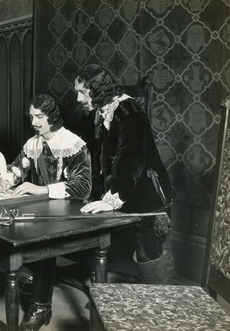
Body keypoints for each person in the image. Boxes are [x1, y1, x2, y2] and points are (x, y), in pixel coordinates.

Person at [0, 94, 92, 331]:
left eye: (39, 116)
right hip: (45, 210)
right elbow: (19, 165)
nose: (34, 122)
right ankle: (34, 279)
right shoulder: (33, 143)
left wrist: (41, 189)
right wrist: (7, 178)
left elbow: (84, 187)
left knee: (43, 242)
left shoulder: (73, 144)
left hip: (73, 212)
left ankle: (41, 307)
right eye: (31, 117)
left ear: (53, 117)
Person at [75, 64, 177, 285]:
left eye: (82, 92)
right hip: (132, 192)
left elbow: (130, 160)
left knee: (150, 251)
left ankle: (158, 305)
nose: (78, 98)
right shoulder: (104, 111)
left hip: (149, 195)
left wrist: (112, 199)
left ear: (97, 90)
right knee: (150, 249)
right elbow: (105, 158)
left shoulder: (128, 112)